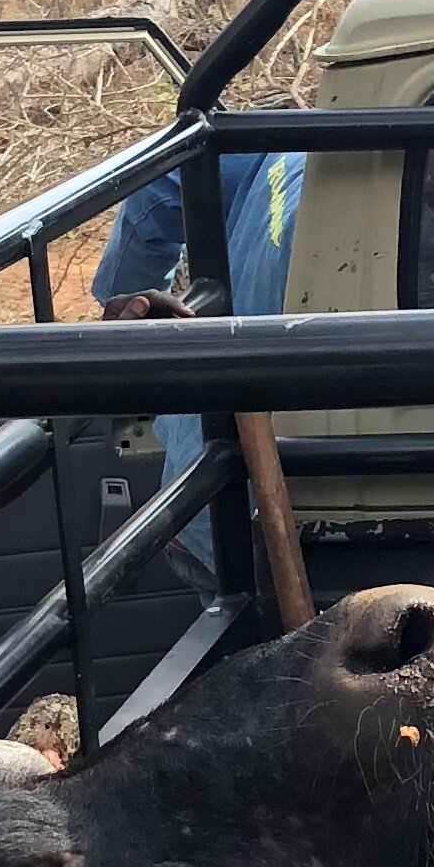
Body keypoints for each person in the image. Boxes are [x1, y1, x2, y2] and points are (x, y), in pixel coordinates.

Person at [90, 143, 305, 575]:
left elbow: (153, 194)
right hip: (256, 517)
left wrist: (121, 322)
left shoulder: (278, 144)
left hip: (200, 491)